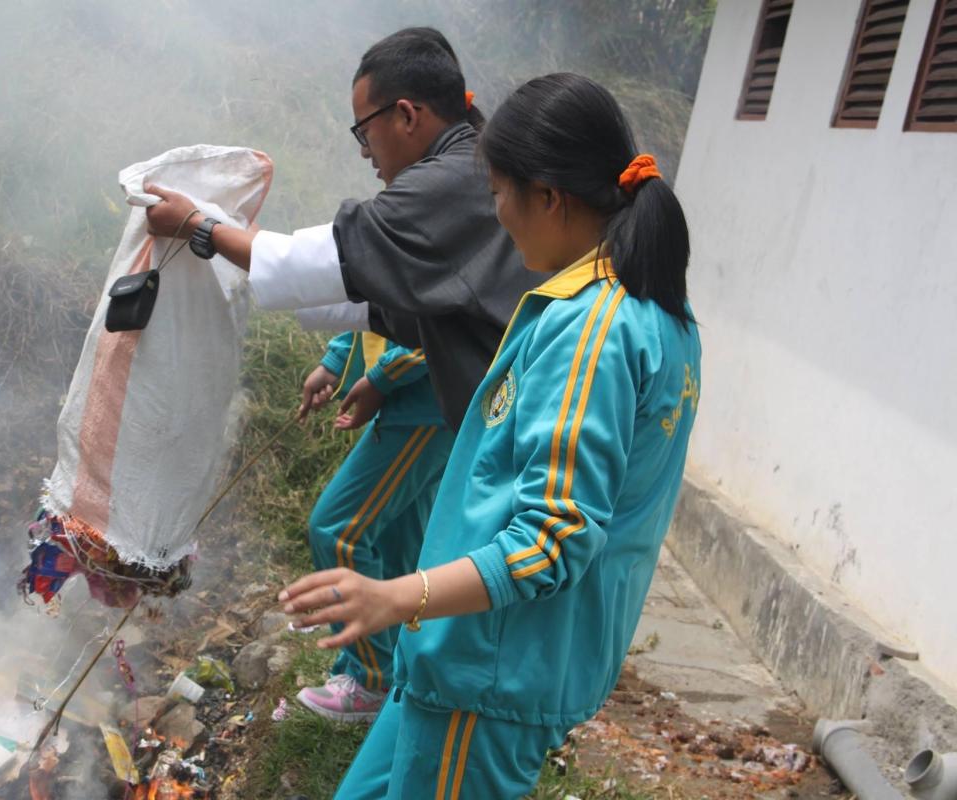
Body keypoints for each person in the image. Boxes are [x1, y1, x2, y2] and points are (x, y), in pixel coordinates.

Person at [278, 73, 702, 798]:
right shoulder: (647, 308)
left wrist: (395, 597)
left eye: (499, 192)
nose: (496, 216)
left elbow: (555, 535)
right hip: (464, 655)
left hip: (492, 671)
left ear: (549, 196)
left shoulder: (593, 330)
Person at [144, 27, 542, 433]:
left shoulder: (441, 184)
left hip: (521, 426)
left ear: (406, 114)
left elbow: (324, 261)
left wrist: (199, 226)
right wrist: (246, 242)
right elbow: (380, 299)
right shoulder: (470, 167)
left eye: (364, 130)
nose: (364, 150)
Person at [294, 330, 454, 721]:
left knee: (338, 531)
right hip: (414, 401)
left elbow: (444, 322)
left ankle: (371, 680)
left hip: (427, 402)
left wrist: (381, 377)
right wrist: (337, 360)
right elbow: (378, 294)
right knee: (396, 540)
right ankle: (391, 672)